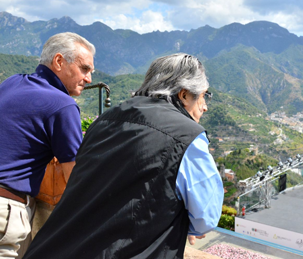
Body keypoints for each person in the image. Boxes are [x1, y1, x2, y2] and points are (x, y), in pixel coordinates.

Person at [24, 53, 224, 259]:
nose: (205, 106)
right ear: (183, 94)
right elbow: (206, 217)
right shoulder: (187, 136)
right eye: (203, 96)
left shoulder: (105, 120)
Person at [0, 32, 95, 258]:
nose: (89, 79)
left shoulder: (11, 82)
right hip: (6, 208)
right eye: (84, 68)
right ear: (59, 61)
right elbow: (75, 177)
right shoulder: (63, 105)